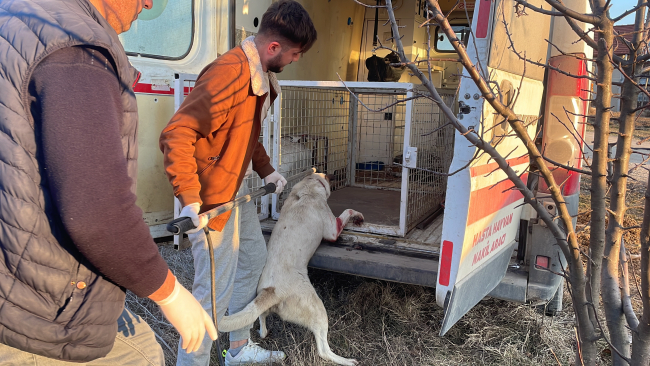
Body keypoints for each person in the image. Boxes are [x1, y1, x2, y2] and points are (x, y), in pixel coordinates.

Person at [0, 0, 217, 364]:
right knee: (144, 355)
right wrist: (169, 292)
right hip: (43, 309)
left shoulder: (17, 18)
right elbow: (97, 210)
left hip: (14, 268)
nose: (148, 3)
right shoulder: (77, 48)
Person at [159, 1, 317, 365]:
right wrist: (189, 198)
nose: (295, 61)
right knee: (212, 291)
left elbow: (246, 135)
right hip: (213, 198)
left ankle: (239, 348)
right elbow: (178, 133)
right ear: (274, 47)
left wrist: (266, 171)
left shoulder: (260, 72)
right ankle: (192, 362)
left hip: (238, 189)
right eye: (295, 54)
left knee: (252, 259)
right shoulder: (229, 73)